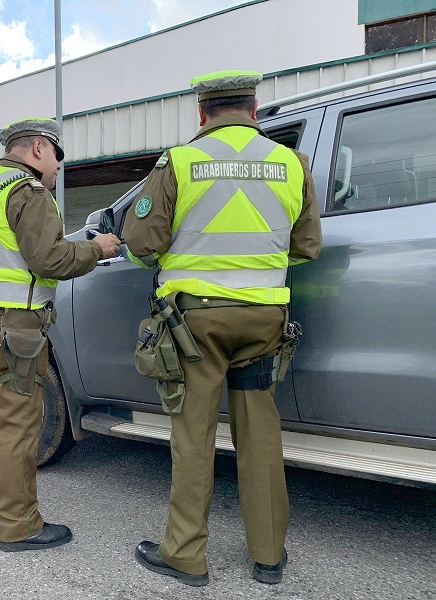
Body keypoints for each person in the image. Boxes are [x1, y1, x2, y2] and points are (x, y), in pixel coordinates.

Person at [123, 70, 322, 586]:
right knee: (260, 434)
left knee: (194, 436)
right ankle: (269, 556)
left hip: (196, 326)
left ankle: (185, 555)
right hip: (264, 322)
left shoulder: (181, 162)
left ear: (202, 114)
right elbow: (306, 247)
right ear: (254, 111)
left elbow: (141, 243)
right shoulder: (291, 163)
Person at [0, 117, 121, 552]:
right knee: (19, 423)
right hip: (13, 326)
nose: (58, 167)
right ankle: (20, 525)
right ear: (36, 150)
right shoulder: (29, 192)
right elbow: (50, 259)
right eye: (56, 155)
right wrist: (98, 249)